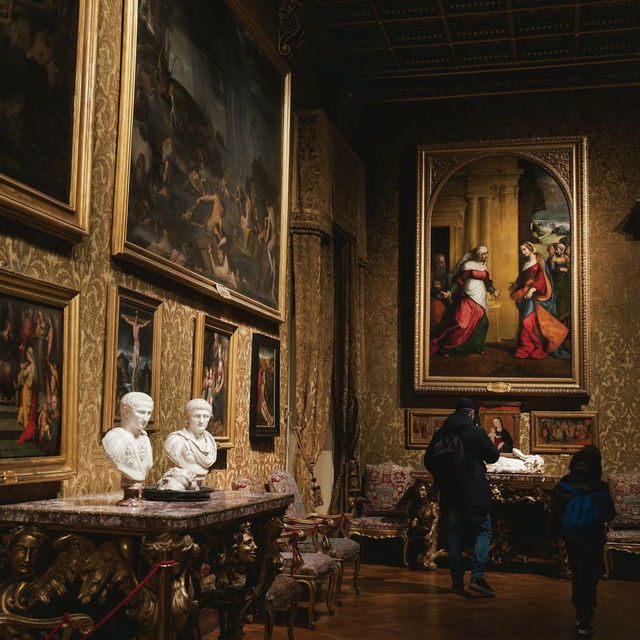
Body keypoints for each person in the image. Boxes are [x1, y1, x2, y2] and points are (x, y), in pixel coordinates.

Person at [424, 397, 500, 596]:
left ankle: (456, 582)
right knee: (483, 531)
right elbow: (493, 456)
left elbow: (428, 460)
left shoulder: (442, 432)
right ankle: (477, 578)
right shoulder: (475, 432)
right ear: (472, 413)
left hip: (450, 492)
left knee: (455, 535)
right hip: (475, 491)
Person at [550, 446, 615, 636]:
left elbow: (555, 513)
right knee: (591, 574)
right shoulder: (600, 487)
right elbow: (609, 514)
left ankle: (581, 612)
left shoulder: (564, 484)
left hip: (572, 537)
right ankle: (587, 612)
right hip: (593, 536)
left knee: (578, 573)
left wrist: (555, 536)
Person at [430, 246, 500, 357]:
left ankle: (476, 347)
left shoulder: (484, 268)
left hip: (480, 299)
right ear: (477, 255)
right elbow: (459, 281)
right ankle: (447, 348)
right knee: (461, 324)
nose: (486, 256)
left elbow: (487, 283)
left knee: (483, 323)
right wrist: (449, 292)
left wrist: (494, 292)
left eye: (487, 253)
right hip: (467, 297)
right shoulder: (467, 265)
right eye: (483, 254)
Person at [509, 241, 569, 359]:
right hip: (525, 295)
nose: (523, 252)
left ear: (531, 249)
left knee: (529, 322)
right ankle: (527, 347)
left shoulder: (539, 261)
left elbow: (542, 280)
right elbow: (523, 278)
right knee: (527, 322)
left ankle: (534, 347)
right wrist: (516, 285)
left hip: (534, 296)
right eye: (521, 250)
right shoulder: (526, 263)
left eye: (524, 249)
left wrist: (532, 289)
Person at [102, 391, 154, 485]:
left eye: (149, 413)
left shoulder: (145, 438)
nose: (146, 418)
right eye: (141, 412)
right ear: (126, 412)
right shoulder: (114, 438)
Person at [164, 398, 217, 485]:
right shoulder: (176, 440)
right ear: (188, 418)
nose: (201, 421)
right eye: (197, 416)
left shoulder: (210, 441)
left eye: (205, 416)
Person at [120, 310, 151, 390]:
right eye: (136, 319)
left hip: (137, 345)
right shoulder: (134, 325)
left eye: (137, 319)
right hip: (136, 345)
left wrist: (148, 322)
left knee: (136, 364)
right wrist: (123, 316)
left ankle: (133, 380)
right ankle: (133, 380)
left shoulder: (138, 326)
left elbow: (144, 325)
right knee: (135, 365)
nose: (136, 320)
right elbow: (128, 320)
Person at [430, 252, 450, 327]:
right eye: (441, 263)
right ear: (435, 265)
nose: (443, 265)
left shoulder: (446, 277)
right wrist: (437, 294)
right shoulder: (430, 276)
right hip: (433, 303)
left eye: (444, 262)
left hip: (444, 303)